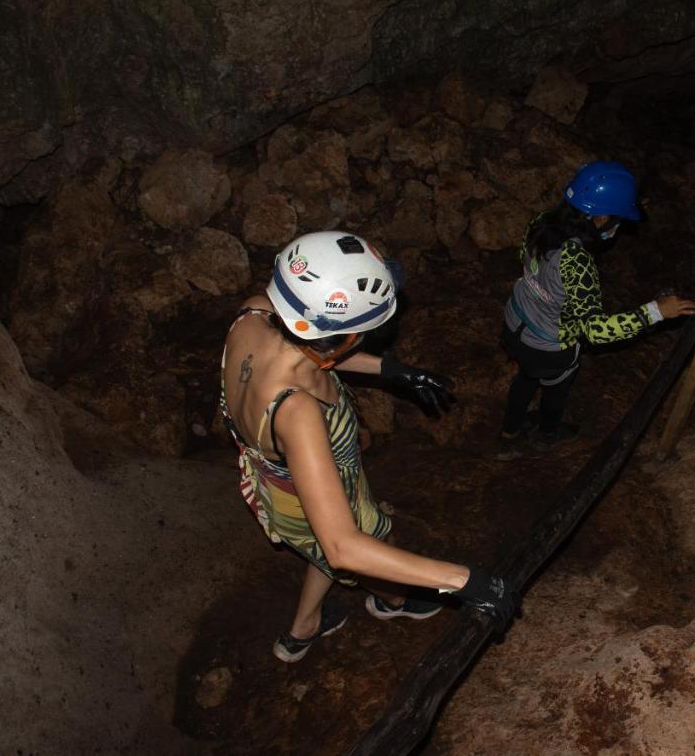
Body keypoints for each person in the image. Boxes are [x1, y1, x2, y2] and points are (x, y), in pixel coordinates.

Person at [220, 230, 515, 662]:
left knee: (320, 549)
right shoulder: (298, 413)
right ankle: (392, 602)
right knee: (368, 539)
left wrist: (390, 369)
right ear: (342, 338)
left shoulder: (257, 311)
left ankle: (302, 629)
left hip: (275, 480)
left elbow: (313, 346)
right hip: (304, 494)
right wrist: (466, 581)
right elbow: (343, 547)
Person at [498, 161, 695, 456]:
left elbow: (526, 261)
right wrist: (655, 311)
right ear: (601, 216)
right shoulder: (577, 262)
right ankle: (547, 434)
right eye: (617, 219)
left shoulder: (541, 223)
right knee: (556, 389)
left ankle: (508, 433)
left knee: (525, 379)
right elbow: (595, 331)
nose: (618, 226)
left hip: (514, 322)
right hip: (547, 347)